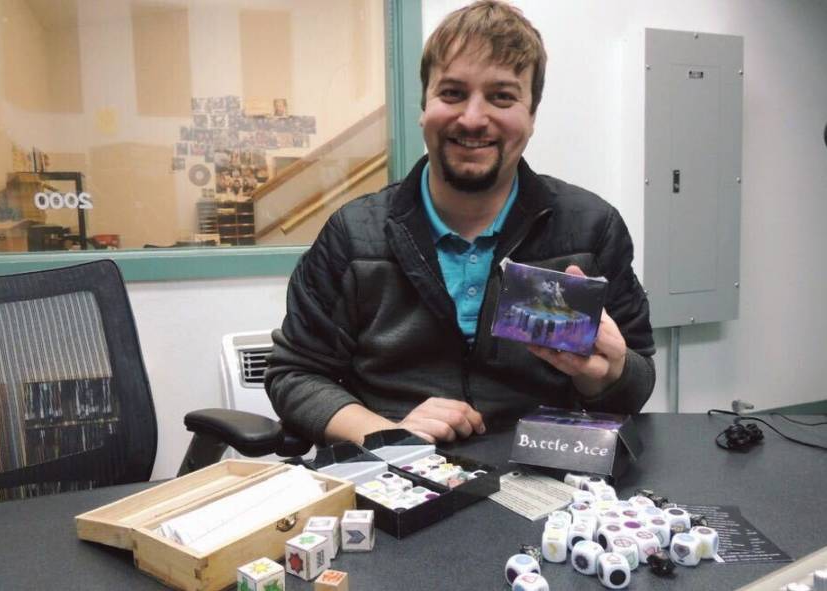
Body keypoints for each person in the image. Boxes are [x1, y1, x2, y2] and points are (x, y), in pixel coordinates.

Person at [265, 0, 654, 446]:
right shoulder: (354, 236)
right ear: (424, 106)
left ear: (531, 115)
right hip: (397, 480)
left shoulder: (590, 229)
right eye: (452, 93)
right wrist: (387, 432)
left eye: (502, 97)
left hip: (545, 482)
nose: (472, 118)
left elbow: (637, 379)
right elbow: (294, 374)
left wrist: (607, 374)